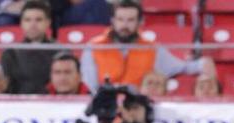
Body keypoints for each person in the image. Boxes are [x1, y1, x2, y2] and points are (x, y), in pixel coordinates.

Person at [80, 0, 215, 92]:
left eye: (131, 20)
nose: (125, 26)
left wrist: (203, 64)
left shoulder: (152, 49)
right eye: (120, 20)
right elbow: (91, 86)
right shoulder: (94, 47)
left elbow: (182, 67)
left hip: (138, 108)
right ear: (113, 21)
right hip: (105, 105)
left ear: (140, 22)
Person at [1, 0, 61, 94]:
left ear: (48, 22)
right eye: (27, 20)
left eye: (38, 20)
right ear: (21, 23)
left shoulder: (60, 51)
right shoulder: (10, 53)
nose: (33, 25)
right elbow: (7, 89)